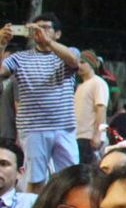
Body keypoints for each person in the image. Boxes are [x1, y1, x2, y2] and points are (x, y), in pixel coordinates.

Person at [4, 17, 81, 189]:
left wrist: (49, 42)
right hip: (33, 128)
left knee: (71, 178)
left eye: (46, 28)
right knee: (35, 179)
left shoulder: (68, 52)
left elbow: (74, 62)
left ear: (58, 33)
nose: (40, 31)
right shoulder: (19, 58)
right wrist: (1, 44)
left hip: (64, 126)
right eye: (36, 28)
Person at [73, 53, 109, 166]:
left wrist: (97, 134)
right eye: (78, 62)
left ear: (91, 64)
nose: (79, 65)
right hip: (78, 135)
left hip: (89, 136)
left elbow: (101, 108)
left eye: (83, 62)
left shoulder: (98, 83)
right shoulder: (80, 86)